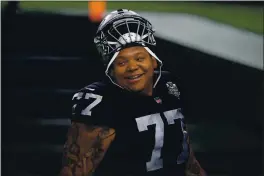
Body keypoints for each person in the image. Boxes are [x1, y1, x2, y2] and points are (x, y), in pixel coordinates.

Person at [59, 9, 207, 176]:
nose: (132, 67)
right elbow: (75, 170)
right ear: (111, 70)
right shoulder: (101, 101)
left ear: (154, 61)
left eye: (139, 58)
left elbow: (186, 158)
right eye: (121, 62)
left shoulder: (168, 86)